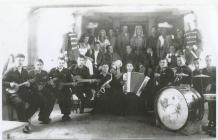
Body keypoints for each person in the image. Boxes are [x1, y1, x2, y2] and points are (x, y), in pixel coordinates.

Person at [3, 54, 33, 133]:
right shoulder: (10, 70)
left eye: (22, 60)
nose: (20, 62)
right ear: (16, 61)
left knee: (37, 98)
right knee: (20, 103)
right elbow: (2, 81)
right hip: (13, 94)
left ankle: (25, 118)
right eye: (19, 60)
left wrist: (28, 84)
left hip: (23, 92)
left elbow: (27, 81)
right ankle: (25, 124)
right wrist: (10, 84)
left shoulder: (25, 71)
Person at [28, 59, 55, 124]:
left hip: (43, 90)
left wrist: (51, 83)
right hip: (33, 91)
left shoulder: (45, 73)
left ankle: (44, 117)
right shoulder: (30, 73)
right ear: (35, 65)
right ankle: (31, 117)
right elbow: (28, 84)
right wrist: (36, 87)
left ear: (42, 65)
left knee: (52, 98)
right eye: (37, 65)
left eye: (40, 65)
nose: (39, 66)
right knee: (43, 99)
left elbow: (48, 82)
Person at [49, 57, 72, 121]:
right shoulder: (52, 70)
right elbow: (48, 79)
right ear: (57, 62)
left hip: (65, 89)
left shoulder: (67, 71)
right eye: (59, 63)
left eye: (62, 63)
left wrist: (72, 88)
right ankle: (45, 116)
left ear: (64, 63)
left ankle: (66, 115)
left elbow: (70, 81)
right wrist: (51, 82)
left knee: (67, 96)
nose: (61, 64)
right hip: (54, 89)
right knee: (49, 98)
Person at [201, 55, 216, 137]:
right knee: (210, 106)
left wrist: (211, 84)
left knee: (214, 106)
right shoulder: (203, 70)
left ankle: (214, 123)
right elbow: (202, 80)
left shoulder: (215, 69)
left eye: (209, 60)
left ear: (212, 60)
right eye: (206, 60)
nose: (208, 62)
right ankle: (210, 122)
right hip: (207, 91)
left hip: (215, 90)